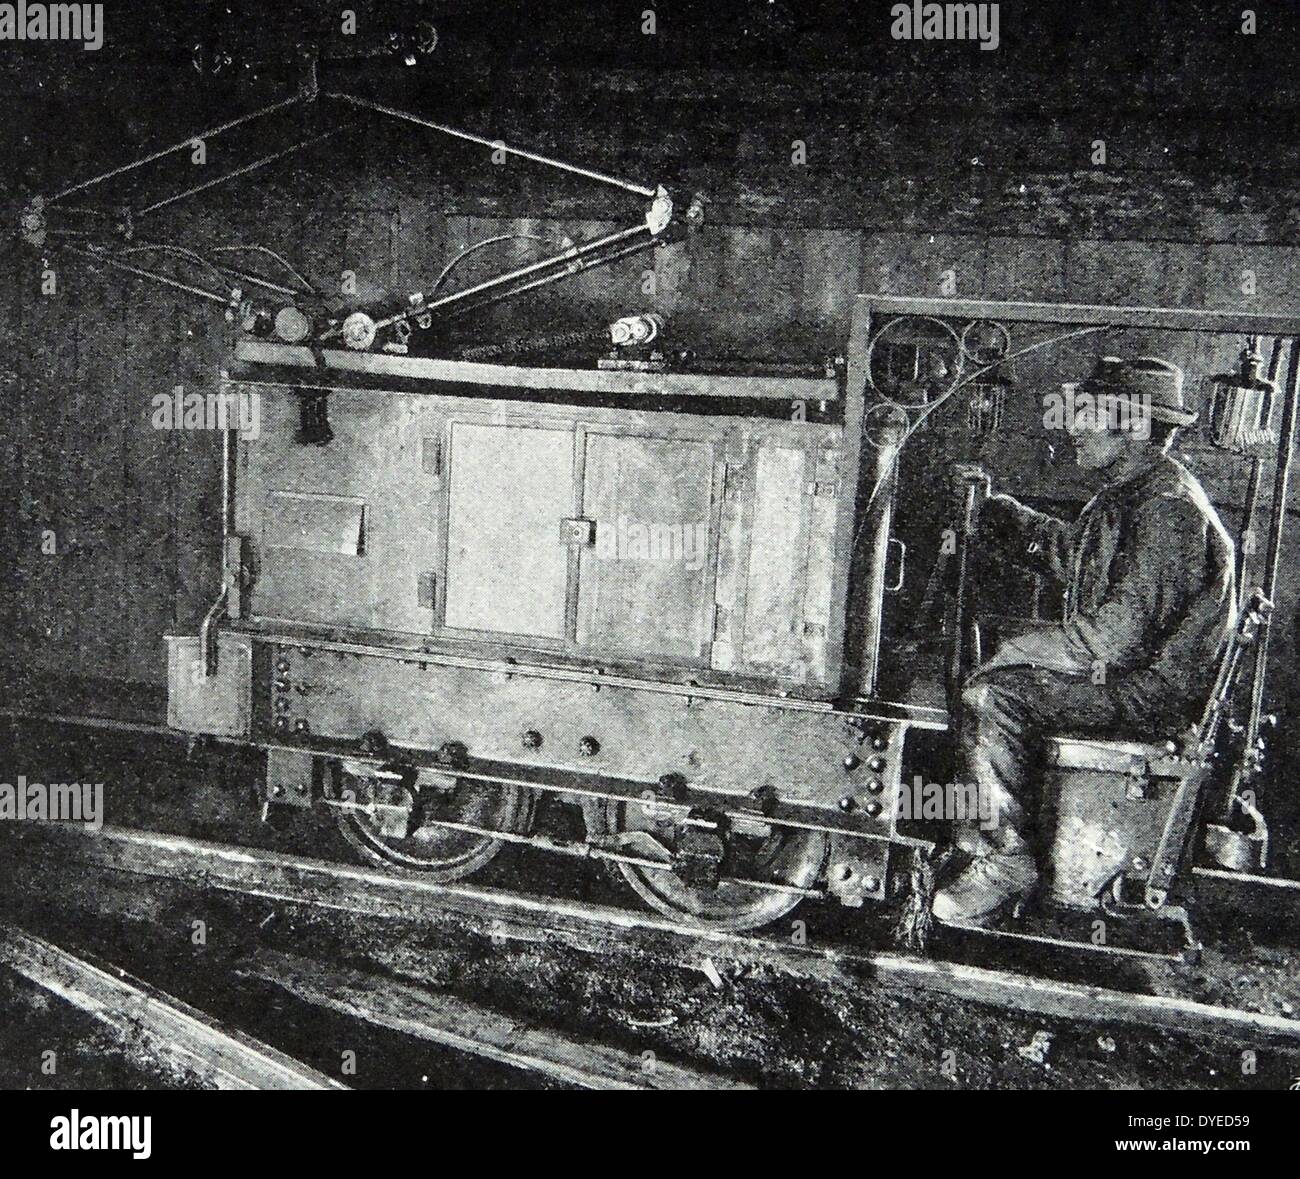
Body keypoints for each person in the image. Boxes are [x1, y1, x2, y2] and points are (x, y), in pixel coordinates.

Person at [932, 354, 1237, 924]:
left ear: (1137, 426)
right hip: (1124, 675)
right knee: (985, 668)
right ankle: (972, 838)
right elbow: (1071, 556)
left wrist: (1015, 651)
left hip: (1149, 692)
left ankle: (1006, 862)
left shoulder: (1169, 511)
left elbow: (1113, 640)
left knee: (992, 696)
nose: (1072, 426)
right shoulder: (1128, 494)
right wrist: (1001, 513)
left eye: (1088, 415)